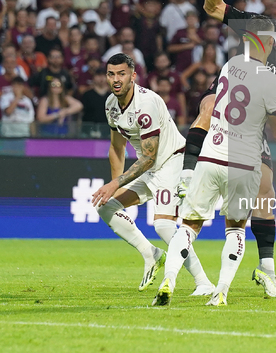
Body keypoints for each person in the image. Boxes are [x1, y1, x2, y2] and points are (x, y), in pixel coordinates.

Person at [152, 18, 276, 306]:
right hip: (244, 164)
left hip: (211, 155)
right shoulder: (271, 81)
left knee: (189, 227)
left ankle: (169, 279)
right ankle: (221, 291)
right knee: (235, 229)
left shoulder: (230, 67)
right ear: (268, 43)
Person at [177, 0, 276, 297]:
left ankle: (266, 268)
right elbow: (212, 7)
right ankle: (186, 176)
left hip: (256, 120)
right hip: (229, 99)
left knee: (266, 190)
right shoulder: (258, 24)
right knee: (208, 105)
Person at [91, 53, 214, 295]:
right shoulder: (111, 105)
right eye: (111, 74)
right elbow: (116, 148)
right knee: (105, 207)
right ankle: (152, 255)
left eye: (121, 74)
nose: (116, 79)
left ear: (133, 76)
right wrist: (114, 186)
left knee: (163, 226)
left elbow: (148, 157)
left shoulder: (145, 104)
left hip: (171, 162)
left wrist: (116, 182)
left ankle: (203, 282)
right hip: (149, 168)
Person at [81, 67, 110, 137]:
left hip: (107, 131)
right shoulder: (87, 95)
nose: (101, 78)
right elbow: (82, 113)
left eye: (104, 76)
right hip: (88, 130)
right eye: (99, 75)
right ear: (94, 78)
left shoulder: (112, 96)